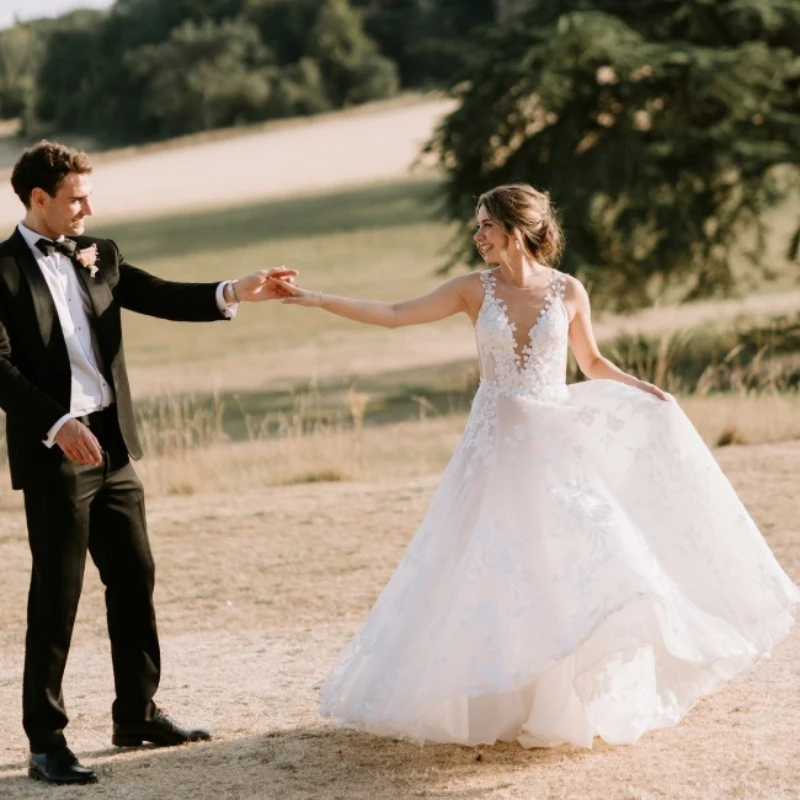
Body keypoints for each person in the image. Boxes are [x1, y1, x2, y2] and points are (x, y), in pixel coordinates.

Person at [270, 182, 799, 749]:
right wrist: (317, 298)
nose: (477, 237)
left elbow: (591, 362)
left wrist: (640, 388)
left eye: (485, 226)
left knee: (576, 558)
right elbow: (397, 314)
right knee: (490, 560)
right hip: (494, 447)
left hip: (555, 444)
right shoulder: (474, 290)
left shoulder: (569, 291)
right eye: (476, 227)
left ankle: (564, 702)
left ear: (516, 228)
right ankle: (493, 698)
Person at [0, 140, 296, 785]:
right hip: (55, 452)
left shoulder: (101, 252)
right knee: (58, 594)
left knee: (134, 576)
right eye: (76, 198)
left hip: (113, 443)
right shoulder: (0, 271)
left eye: (88, 196)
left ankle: (136, 713)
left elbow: (158, 294)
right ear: (38, 199)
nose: (88, 208)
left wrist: (234, 289)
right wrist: (56, 423)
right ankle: (46, 741)